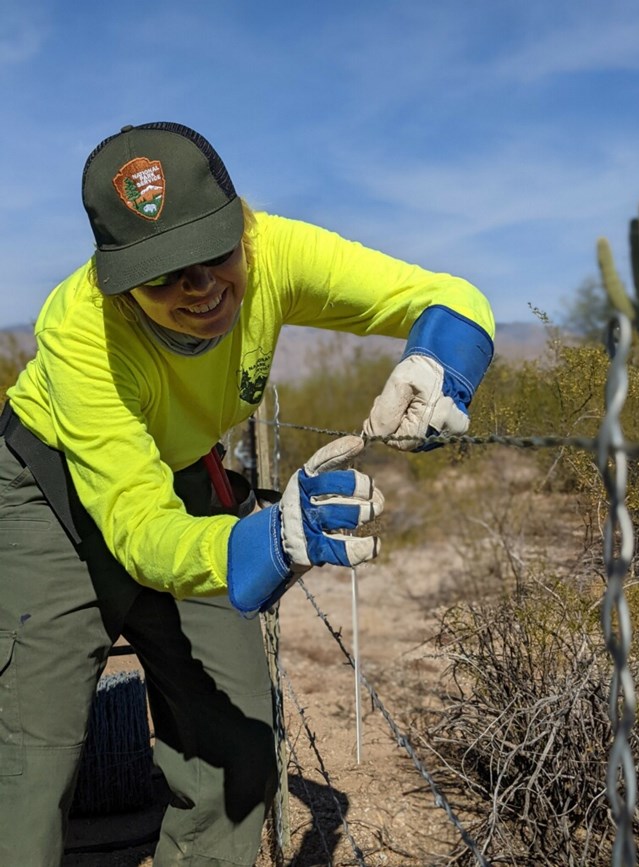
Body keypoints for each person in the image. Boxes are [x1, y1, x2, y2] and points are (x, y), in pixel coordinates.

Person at [0, 121, 495, 866]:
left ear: (244, 226)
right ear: (116, 279)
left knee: (239, 751)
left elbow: (444, 295)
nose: (201, 289)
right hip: (54, 493)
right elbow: (138, 527)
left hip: (187, 473)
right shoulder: (81, 333)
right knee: (29, 771)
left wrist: (441, 361)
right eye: (163, 274)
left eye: (214, 253)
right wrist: (269, 539)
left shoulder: (277, 252)